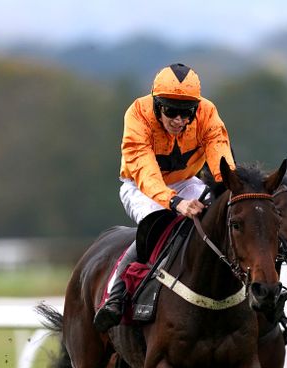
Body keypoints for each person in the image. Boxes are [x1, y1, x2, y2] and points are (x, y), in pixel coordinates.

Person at [93, 63, 235, 332]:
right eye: (171, 111)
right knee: (157, 224)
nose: (179, 121)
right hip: (139, 185)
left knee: (223, 217)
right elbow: (146, 171)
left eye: (186, 113)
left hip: (187, 182)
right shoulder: (138, 113)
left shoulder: (208, 113)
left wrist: (229, 186)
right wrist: (174, 202)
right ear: (157, 105)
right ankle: (116, 295)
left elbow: (221, 156)